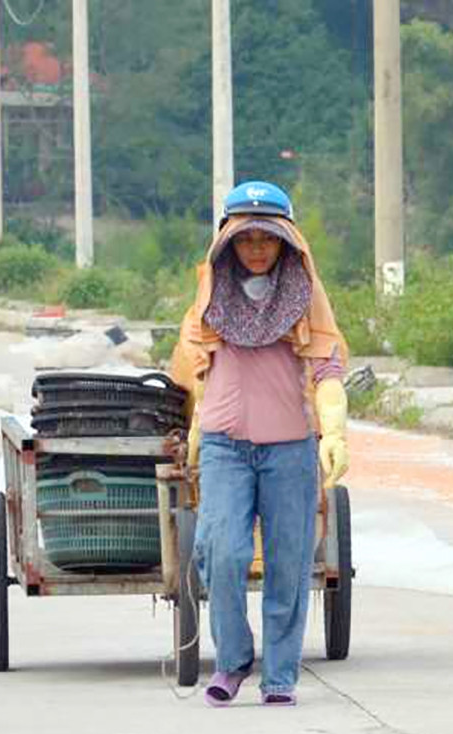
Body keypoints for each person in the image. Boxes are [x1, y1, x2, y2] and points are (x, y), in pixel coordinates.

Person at [170, 181, 351, 707]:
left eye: (266, 239)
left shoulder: (306, 297)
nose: (255, 248)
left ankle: (280, 676)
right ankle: (231, 661)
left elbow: (328, 367)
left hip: (290, 449)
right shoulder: (209, 298)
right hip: (227, 446)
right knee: (221, 552)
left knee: (289, 563)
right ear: (227, 240)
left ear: (286, 242)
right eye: (244, 238)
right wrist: (197, 430)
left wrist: (334, 431)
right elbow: (195, 370)